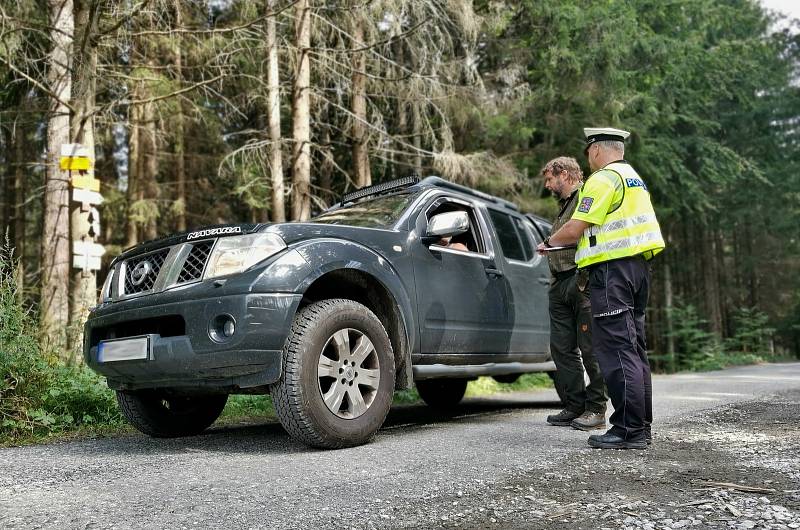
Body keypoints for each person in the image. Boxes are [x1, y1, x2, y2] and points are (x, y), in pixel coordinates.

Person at [537, 127, 665, 450]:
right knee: (635, 350)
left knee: (616, 351)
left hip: (612, 273)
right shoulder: (634, 178)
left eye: (588, 152)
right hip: (638, 269)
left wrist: (549, 243)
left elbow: (578, 226)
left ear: (595, 150)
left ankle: (628, 430)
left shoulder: (603, 179)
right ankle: (640, 427)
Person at [539, 157, 608, 431]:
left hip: (582, 280)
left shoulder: (586, 197)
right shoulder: (564, 206)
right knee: (561, 348)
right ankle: (574, 405)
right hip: (560, 283)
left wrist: (547, 242)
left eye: (549, 179)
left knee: (590, 348)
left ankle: (597, 409)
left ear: (564, 175)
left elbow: (576, 232)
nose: (547, 185)